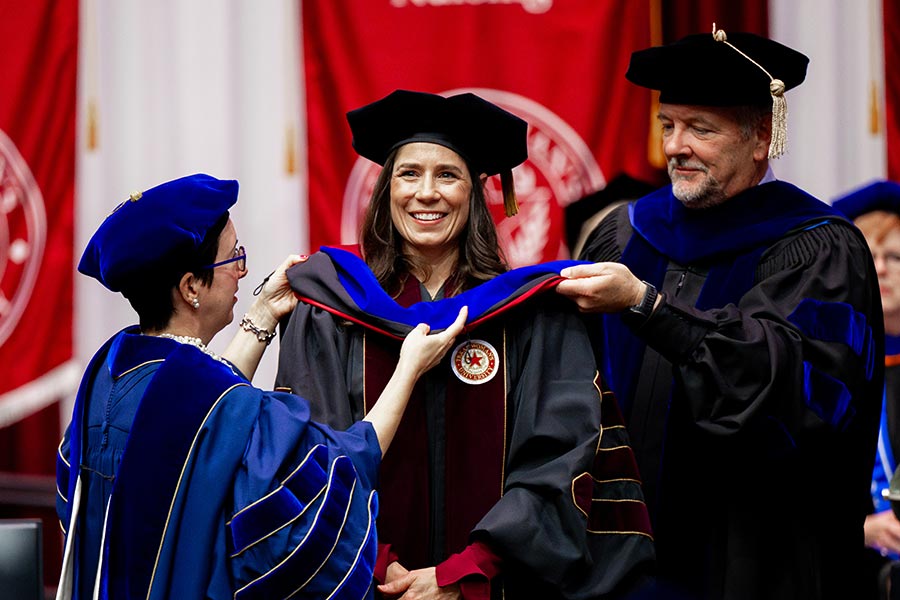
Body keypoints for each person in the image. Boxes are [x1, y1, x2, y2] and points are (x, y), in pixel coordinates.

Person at [275, 90, 655, 599]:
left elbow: (560, 460)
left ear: (475, 193)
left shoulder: (532, 314)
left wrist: (466, 573)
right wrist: (376, 562)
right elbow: (309, 449)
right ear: (387, 189)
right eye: (409, 174)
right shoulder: (331, 308)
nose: (426, 193)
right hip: (361, 581)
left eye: (447, 175)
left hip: (495, 586)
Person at [556, 27, 884, 599]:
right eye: (668, 125)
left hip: (755, 562)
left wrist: (648, 307)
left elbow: (788, 391)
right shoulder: (625, 234)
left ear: (761, 138)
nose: (675, 146)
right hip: (617, 563)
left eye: (700, 129)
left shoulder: (818, 248)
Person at [55, 173, 467, 600]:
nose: (242, 270)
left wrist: (264, 313)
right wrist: (408, 370)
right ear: (191, 287)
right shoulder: (222, 403)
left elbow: (198, 416)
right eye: (233, 256)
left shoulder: (109, 374)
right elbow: (338, 470)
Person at [833, 180, 900, 598]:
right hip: (846, 572)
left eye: (894, 256)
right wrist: (860, 529)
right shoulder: (824, 364)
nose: (880, 269)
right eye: (867, 256)